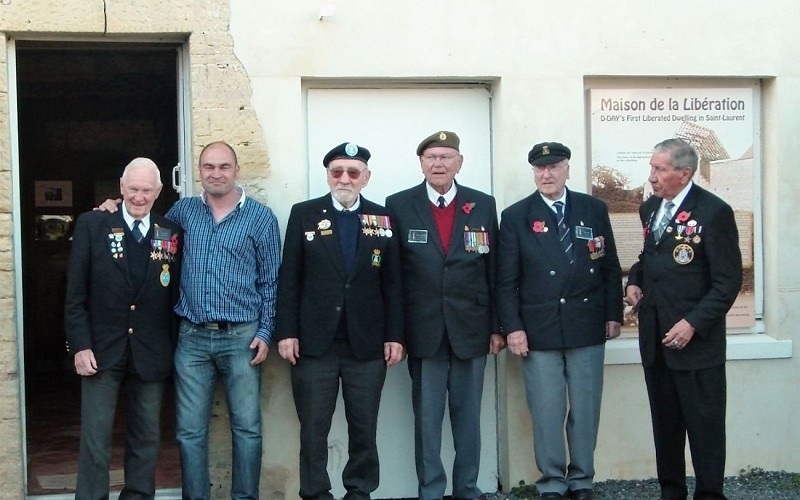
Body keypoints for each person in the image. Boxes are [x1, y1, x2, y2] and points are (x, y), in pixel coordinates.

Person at [97, 141, 281, 499]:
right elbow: (143, 223)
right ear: (199, 172)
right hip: (192, 338)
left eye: (224, 166)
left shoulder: (261, 218)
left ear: (237, 170)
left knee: (247, 429)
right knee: (189, 431)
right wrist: (113, 209)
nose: (216, 173)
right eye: (209, 167)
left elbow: (271, 280)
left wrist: (266, 331)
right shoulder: (182, 213)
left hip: (242, 337)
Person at [275, 142, 405, 499]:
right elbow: (289, 279)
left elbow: (394, 283)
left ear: (366, 177)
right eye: (337, 172)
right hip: (315, 343)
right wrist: (286, 332)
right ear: (328, 176)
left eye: (353, 172)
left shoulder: (383, 217)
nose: (344, 178)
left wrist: (396, 335)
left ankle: (360, 491)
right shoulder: (304, 214)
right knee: (313, 428)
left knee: (364, 426)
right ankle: (315, 493)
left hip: (366, 343)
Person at [496, 142, 623, 500]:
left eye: (553, 167)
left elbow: (610, 266)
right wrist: (513, 328)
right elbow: (506, 280)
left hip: (587, 324)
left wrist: (613, 314)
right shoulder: (516, 215)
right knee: (547, 410)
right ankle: (552, 481)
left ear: (568, 168)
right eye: (539, 168)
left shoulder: (592, 209)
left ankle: (582, 479)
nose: (546, 174)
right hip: (539, 329)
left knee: (585, 408)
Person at [385, 131, 505, 500]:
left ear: (459, 162)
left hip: (472, 329)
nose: (438, 163)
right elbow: (393, 277)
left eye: (446, 156)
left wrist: (497, 326)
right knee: (427, 421)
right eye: (431, 157)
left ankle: (467, 488)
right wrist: (397, 333)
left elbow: (495, 271)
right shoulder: (399, 204)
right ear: (421, 163)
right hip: (424, 332)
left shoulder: (482, 204)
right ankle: (431, 491)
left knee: (468, 419)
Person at [625, 138, 742, 500]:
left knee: (705, 429)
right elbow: (650, 258)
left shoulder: (713, 212)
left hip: (697, 347)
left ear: (684, 172)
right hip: (657, 342)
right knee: (666, 427)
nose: (652, 177)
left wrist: (693, 323)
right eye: (652, 168)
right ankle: (671, 492)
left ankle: (709, 494)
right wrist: (635, 282)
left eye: (659, 169)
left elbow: (727, 282)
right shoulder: (650, 209)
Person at [65, 158, 181, 499]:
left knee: (146, 436)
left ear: (159, 191)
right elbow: (74, 294)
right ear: (120, 187)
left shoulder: (171, 232)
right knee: (95, 436)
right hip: (101, 350)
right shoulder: (92, 225)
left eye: (147, 190)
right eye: (133, 189)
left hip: (151, 350)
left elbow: (174, 294)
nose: (139, 197)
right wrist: (79, 345)